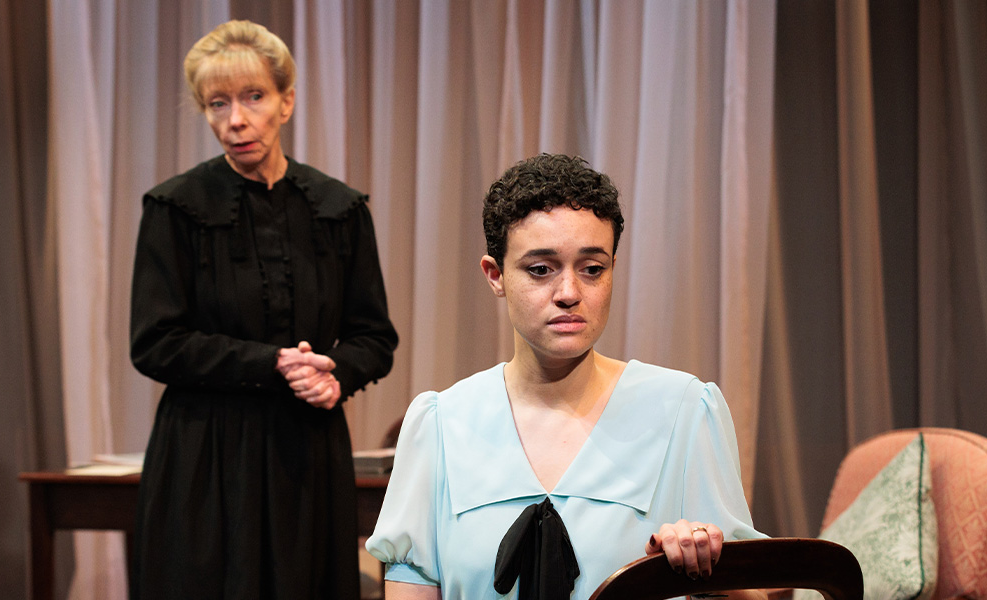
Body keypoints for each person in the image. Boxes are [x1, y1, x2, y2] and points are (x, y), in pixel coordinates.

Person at [365, 154, 764, 600]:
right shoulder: (440, 425)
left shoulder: (684, 411)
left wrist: (705, 572)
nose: (570, 293)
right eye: (541, 270)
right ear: (495, 274)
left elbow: (746, 592)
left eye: (592, 269)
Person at [129, 19, 397, 599]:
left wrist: (337, 377)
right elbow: (154, 341)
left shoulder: (339, 209)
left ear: (286, 101)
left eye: (253, 97)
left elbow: (374, 337)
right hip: (204, 456)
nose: (235, 120)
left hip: (306, 453)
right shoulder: (175, 208)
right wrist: (271, 362)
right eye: (217, 103)